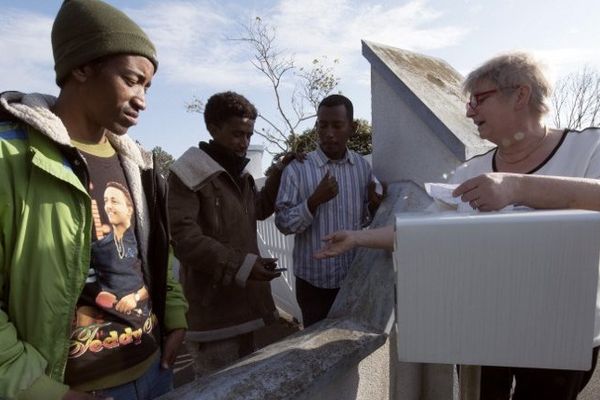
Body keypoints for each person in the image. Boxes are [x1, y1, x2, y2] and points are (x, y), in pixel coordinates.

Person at [314, 52, 600, 399]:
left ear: (520, 95)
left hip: (562, 331)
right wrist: (358, 237)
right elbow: (425, 230)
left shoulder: (589, 148)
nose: (468, 111)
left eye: (479, 99)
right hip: (481, 326)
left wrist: (517, 187)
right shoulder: (471, 170)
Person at [0, 1, 188, 399]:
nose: (142, 100)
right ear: (82, 67)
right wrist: (38, 388)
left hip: (155, 370)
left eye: (147, 86)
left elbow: (154, 255)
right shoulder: (11, 157)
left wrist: (174, 318)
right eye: (131, 80)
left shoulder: (139, 164)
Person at [168, 91, 299, 378]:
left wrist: (278, 172)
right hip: (214, 316)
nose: (244, 142)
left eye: (249, 135)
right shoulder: (187, 174)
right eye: (237, 133)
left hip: (250, 309)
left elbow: (260, 209)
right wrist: (242, 264)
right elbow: (183, 239)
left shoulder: (241, 174)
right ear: (213, 129)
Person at [275, 94, 384, 328]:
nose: (329, 133)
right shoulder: (298, 169)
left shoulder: (362, 168)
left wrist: (374, 206)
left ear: (352, 128)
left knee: (349, 343)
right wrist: (312, 202)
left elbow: (363, 220)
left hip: (351, 280)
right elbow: (283, 223)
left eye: (337, 125)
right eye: (323, 125)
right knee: (315, 350)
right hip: (312, 284)